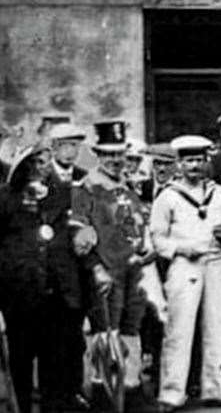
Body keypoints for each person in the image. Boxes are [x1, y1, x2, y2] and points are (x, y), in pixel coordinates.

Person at [151, 135, 221, 412]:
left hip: (215, 263)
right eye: (188, 161)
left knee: (218, 326)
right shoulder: (167, 196)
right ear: (179, 164)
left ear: (206, 162)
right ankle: (171, 394)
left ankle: (219, 389)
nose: (194, 166)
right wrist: (181, 248)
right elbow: (158, 238)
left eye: (199, 160)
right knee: (179, 328)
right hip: (184, 265)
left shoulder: (218, 194)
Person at [72, 120, 157, 412]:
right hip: (105, 272)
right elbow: (79, 232)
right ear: (97, 153)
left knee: (131, 329)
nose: (115, 159)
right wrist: (95, 267)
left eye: (119, 153)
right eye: (108, 154)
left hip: (133, 270)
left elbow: (133, 224)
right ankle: (104, 394)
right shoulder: (87, 187)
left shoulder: (126, 184)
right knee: (105, 332)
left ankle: (131, 389)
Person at [0, 143, 92, 413]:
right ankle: (22, 407)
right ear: (25, 166)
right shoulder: (5, 199)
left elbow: (72, 234)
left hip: (54, 295)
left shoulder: (61, 195)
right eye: (37, 162)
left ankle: (55, 405)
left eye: (45, 162)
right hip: (19, 295)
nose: (43, 168)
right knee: (21, 359)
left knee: (54, 359)